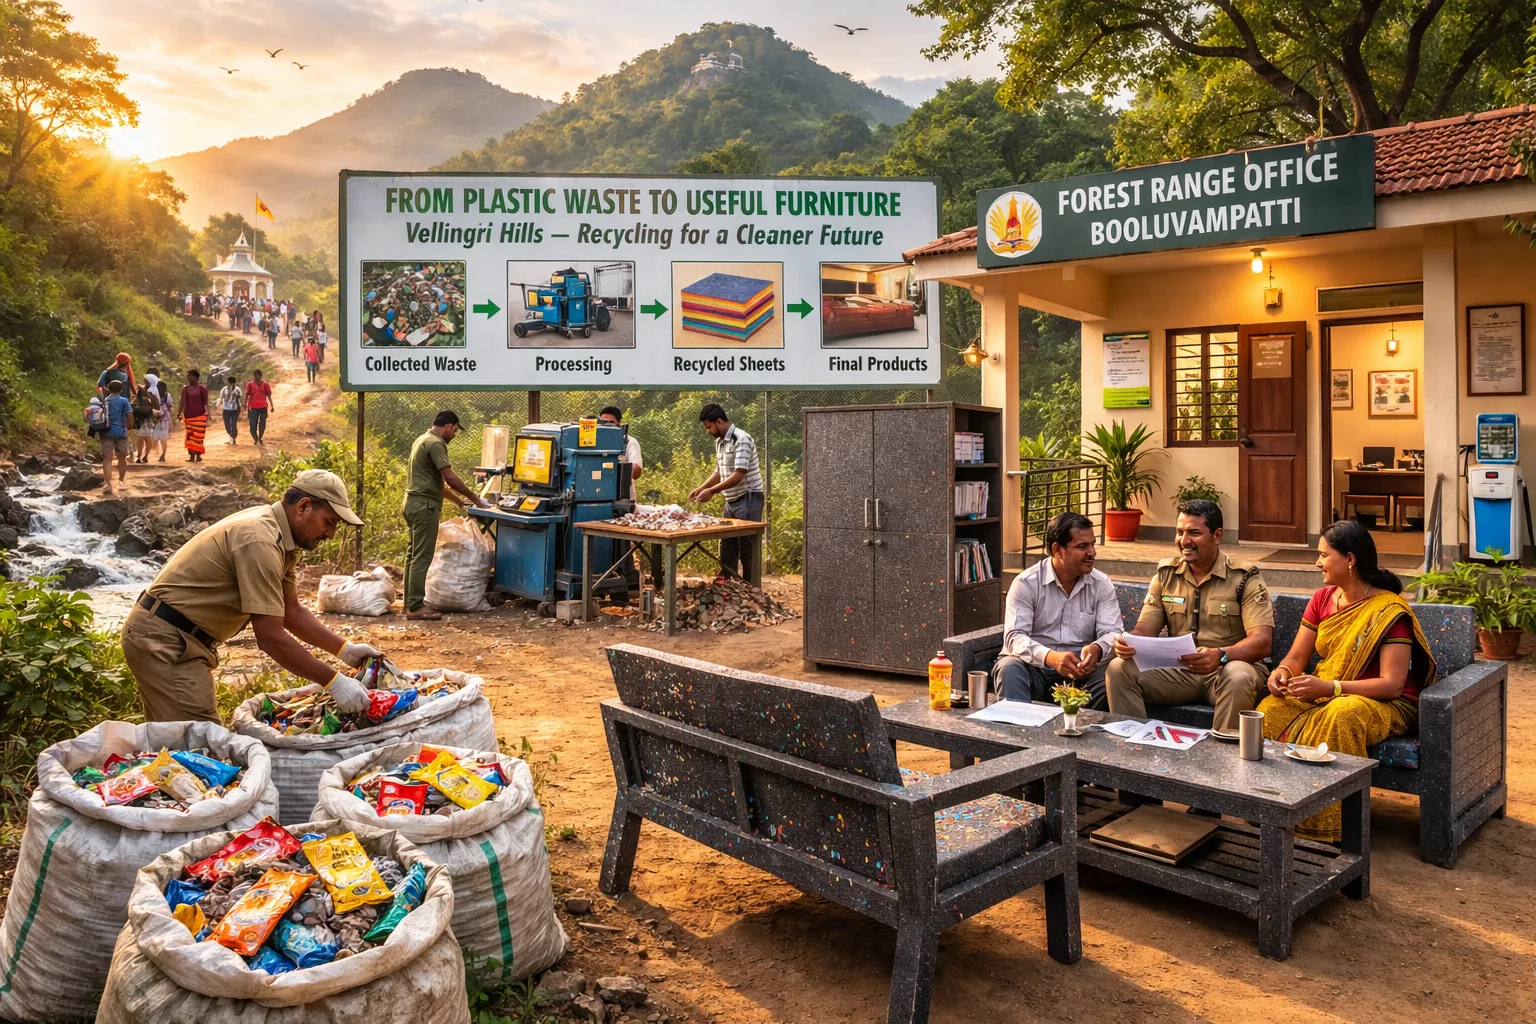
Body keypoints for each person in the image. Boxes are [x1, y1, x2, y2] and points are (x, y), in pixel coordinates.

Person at [121, 469, 382, 722]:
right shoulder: (260, 540)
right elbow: (270, 637)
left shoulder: (279, 537)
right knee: (201, 742)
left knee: (178, 740)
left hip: (173, 637)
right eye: (329, 522)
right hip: (166, 642)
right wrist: (334, 682)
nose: (331, 534)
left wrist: (345, 650)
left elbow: (291, 612)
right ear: (303, 506)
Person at [1259, 521, 1435, 841]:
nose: (1317, 562)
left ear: (1350, 559)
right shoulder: (1322, 599)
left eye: (1323, 555)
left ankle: (1331, 827)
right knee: (1269, 709)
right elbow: (1296, 658)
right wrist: (1281, 673)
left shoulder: (1388, 610)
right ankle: (1275, 811)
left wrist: (1332, 688)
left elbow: (1393, 684)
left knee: (1342, 714)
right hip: (1327, 693)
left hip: (1385, 703)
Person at [1106, 499, 1273, 733]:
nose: (1184, 541)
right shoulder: (1166, 576)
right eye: (1179, 532)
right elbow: (1145, 628)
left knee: (1238, 676)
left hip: (1226, 669)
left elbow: (1262, 641)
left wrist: (1221, 655)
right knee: (1119, 668)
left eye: (1194, 533)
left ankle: (1223, 753)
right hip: (1179, 673)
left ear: (1217, 536)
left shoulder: (1244, 577)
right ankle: (1135, 747)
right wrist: (1129, 642)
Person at [992, 511, 1120, 707]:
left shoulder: (1101, 584)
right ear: (1057, 549)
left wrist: (1098, 648)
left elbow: (1113, 632)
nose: (1092, 552)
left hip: (1083, 674)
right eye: (1082, 546)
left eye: (1093, 544)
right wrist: (1051, 658)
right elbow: (1014, 637)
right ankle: (1017, 726)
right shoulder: (1026, 583)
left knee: (1116, 672)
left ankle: (1082, 723)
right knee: (1009, 667)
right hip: (1035, 668)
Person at [402, 410, 491, 621]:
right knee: (422, 556)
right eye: (455, 430)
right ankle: (415, 606)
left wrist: (460, 501)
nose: (455, 435)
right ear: (449, 426)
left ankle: (410, 602)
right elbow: (449, 477)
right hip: (425, 506)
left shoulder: (422, 440)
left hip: (412, 503)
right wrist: (476, 498)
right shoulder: (436, 443)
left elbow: (438, 484)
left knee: (413, 554)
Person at [689, 403, 763, 583]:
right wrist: (701, 488)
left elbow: (739, 473)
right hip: (731, 501)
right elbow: (719, 472)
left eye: (709, 427)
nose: (707, 431)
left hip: (748, 498)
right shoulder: (719, 443)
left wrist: (712, 491)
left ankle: (751, 589)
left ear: (719, 421)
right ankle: (730, 587)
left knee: (747, 550)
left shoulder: (741, 439)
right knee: (727, 548)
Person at [598, 405, 643, 500]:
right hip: (598, 495)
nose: (606, 426)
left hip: (623, 499)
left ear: (619, 424)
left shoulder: (630, 442)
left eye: (611, 423)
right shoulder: (595, 442)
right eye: (603, 422)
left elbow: (637, 470)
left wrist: (616, 474)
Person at [99, 380, 133, 495]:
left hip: (106, 432)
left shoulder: (104, 400)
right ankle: (121, 481)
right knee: (122, 457)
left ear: (108, 389)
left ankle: (108, 484)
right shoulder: (123, 401)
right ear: (121, 390)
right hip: (121, 433)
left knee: (107, 459)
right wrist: (130, 426)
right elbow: (129, 415)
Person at [176, 369, 210, 463]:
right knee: (190, 436)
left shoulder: (202, 389)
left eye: (190, 376)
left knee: (199, 436)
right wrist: (179, 413)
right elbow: (182, 402)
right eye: (188, 376)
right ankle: (191, 456)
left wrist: (209, 414)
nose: (188, 377)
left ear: (196, 377)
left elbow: (206, 402)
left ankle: (198, 455)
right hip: (189, 416)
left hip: (200, 416)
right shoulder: (185, 389)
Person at [245, 369, 272, 445]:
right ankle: (255, 438)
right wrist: (245, 404)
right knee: (252, 424)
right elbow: (247, 394)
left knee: (262, 423)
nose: (255, 377)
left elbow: (269, 395)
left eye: (257, 376)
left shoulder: (265, 384)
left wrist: (272, 405)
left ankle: (260, 437)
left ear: (260, 376)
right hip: (252, 406)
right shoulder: (250, 384)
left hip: (263, 406)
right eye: (254, 376)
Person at [152, 375, 172, 461]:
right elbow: (169, 406)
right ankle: (163, 454)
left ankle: (156, 450)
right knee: (164, 437)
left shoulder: (154, 395)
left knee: (156, 436)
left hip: (155, 418)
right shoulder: (167, 395)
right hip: (165, 419)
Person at [218, 374, 243, 444]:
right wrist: (219, 406)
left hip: (235, 409)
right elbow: (221, 398)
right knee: (227, 424)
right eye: (230, 382)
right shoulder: (224, 389)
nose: (230, 384)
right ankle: (232, 436)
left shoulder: (237, 390)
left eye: (231, 383)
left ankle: (233, 437)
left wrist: (239, 406)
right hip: (226, 409)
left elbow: (239, 399)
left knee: (233, 424)